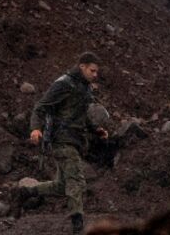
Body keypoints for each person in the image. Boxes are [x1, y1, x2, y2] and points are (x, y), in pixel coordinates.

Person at [14, 52, 108, 234]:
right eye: (92, 70)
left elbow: (81, 116)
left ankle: (26, 192)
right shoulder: (63, 84)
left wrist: (96, 130)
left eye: (97, 72)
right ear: (82, 66)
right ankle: (77, 224)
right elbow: (40, 107)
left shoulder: (84, 87)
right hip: (62, 141)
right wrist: (35, 128)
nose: (95, 75)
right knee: (77, 181)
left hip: (75, 140)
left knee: (62, 185)